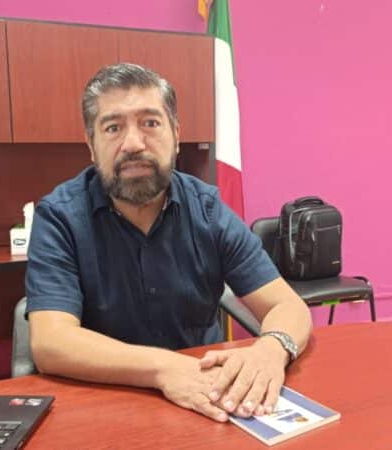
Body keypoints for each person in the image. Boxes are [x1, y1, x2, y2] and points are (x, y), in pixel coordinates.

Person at [25, 63, 312, 423]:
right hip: (107, 403)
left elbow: (288, 306)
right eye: (113, 128)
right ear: (91, 145)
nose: (133, 143)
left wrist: (271, 349)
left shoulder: (207, 209)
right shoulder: (60, 216)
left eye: (150, 123)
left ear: (176, 135)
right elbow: (51, 342)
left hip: (206, 401)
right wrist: (165, 368)